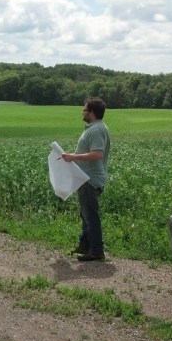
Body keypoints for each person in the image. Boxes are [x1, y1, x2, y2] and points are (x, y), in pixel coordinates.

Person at [62, 97, 111, 262]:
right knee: (86, 214)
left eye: (84, 110)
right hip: (85, 178)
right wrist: (73, 156)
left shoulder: (96, 130)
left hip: (90, 179)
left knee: (91, 215)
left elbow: (98, 154)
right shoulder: (95, 128)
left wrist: (73, 157)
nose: (82, 112)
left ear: (91, 113)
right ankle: (85, 245)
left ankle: (97, 251)